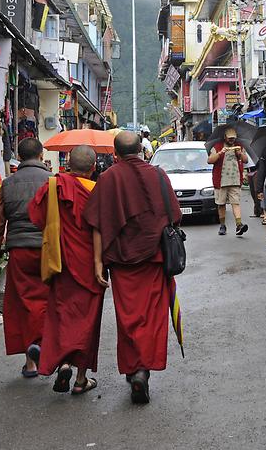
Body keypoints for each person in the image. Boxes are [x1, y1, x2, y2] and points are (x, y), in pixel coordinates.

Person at [85, 131, 181, 405]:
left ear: (115, 153)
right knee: (151, 317)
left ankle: (133, 368)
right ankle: (142, 370)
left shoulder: (107, 179)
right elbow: (174, 215)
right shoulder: (159, 175)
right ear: (141, 149)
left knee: (128, 318)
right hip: (154, 259)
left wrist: (97, 264)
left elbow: (96, 223)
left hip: (123, 262)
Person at [28, 145, 104, 396]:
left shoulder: (54, 186)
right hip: (91, 266)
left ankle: (63, 364)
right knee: (87, 322)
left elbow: (37, 218)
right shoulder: (98, 191)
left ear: (69, 164)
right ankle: (81, 379)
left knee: (62, 316)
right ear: (93, 168)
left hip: (61, 262)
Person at [0, 138, 51, 378]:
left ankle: (30, 364)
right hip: (48, 250)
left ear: (19, 158)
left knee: (23, 304)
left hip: (20, 251)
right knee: (48, 302)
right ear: (42, 156)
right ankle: (45, 349)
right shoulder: (52, 183)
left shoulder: (8, 184)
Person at [207, 127, 248, 237]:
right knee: (221, 204)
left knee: (236, 203)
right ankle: (222, 225)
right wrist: (220, 153)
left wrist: (240, 153)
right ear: (225, 137)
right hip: (221, 180)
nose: (231, 140)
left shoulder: (239, 146)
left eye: (233, 138)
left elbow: (245, 160)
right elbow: (210, 160)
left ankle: (239, 225)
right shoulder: (217, 146)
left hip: (235, 180)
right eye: (229, 138)